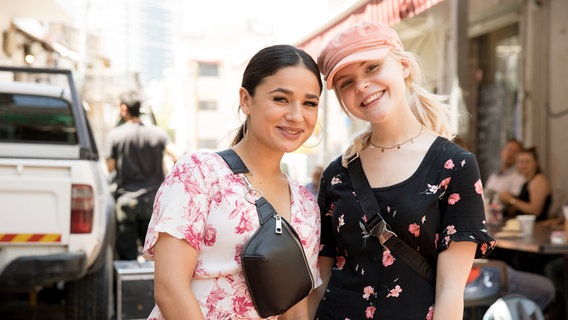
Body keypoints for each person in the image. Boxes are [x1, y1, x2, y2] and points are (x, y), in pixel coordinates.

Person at [311, 21, 495, 320]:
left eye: (372, 67)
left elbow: (451, 291)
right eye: (346, 82)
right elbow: (322, 278)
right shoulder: (337, 173)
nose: (361, 86)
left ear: (404, 66)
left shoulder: (454, 165)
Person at [142, 44, 323, 319]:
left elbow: (294, 307)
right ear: (246, 100)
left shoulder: (307, 205)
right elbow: (170, 289)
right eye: (281, 99)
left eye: (309, 103)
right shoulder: (199, 173)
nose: (297, 115)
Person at [105, 90, 179, 260]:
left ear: (124, 109)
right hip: (153, 203)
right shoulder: (158, 133)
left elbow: (109, 168)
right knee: (155, 255)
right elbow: (176, 156)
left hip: (126, 203)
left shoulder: (116, 135)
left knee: (127, 257)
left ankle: (129, 285)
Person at [499, 147, 553, 221]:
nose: (523, 165)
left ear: (536, 163)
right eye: (520, 162)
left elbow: (536, 210)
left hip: (536, 227)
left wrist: (511, 200)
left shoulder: (538, 180)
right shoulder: (527, 182)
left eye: (527, 162)